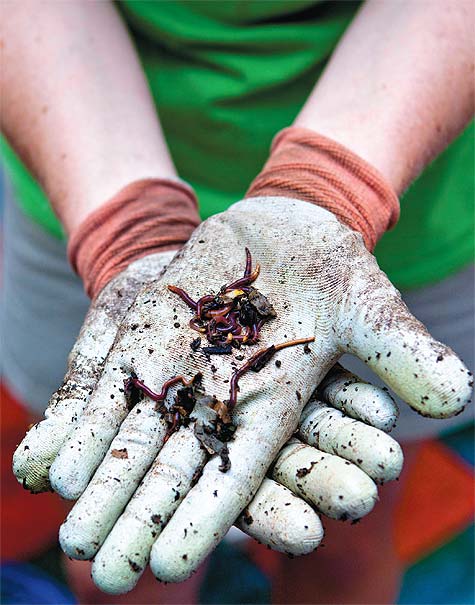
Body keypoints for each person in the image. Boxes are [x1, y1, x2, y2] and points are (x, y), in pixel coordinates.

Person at [1, 1, 473, 603]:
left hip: (409, 174)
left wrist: (330, 185)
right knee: (125, 548)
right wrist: (124, 223)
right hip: (79, 158)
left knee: (348, 530)